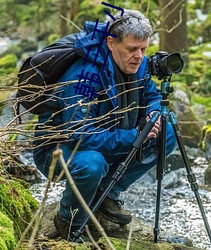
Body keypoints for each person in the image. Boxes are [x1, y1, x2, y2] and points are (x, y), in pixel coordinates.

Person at [33, 9, 177, 241]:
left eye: (144, 49)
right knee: (92, 164)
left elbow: (151, 96)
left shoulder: (137, 64)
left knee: (167, 132)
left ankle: (107, 193)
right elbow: (79, 135)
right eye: (132, 49)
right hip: (59, 150)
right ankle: (68, 221)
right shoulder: (84, 77)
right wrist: (134, 135)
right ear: (111, 42)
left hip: (109, 136)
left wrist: (153, 114)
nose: (139, 56)